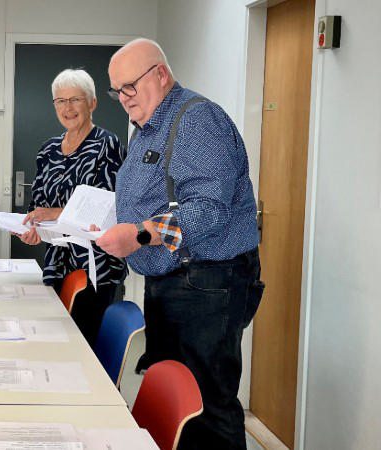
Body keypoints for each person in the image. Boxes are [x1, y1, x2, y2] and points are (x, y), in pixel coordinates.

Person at [96, 38, 264, 449]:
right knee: (177, 405)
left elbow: (208, 210)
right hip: (174, 282)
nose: (123, 98)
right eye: (117, 90)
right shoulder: (148, 127)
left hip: (207, 284)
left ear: (161, 74)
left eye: (129, 87)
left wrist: (139, 234)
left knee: (207, 407)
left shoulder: (196, 120)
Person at [16, 68, 126, 348]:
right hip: (58, 265)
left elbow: (108, 207)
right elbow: (38, 206)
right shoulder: (48, 150)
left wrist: (56, 213)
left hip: (96, 270)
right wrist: (32, 228)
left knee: (87, 351)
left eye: (75, 99)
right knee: (58, 346)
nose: (68, 108)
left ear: (92, 103)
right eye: (60, 101)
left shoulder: (107, 145)